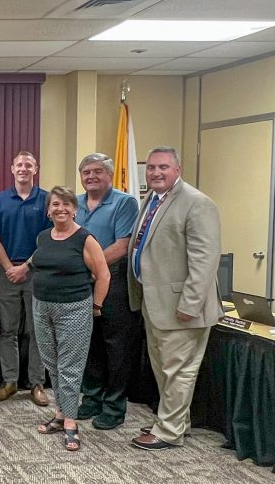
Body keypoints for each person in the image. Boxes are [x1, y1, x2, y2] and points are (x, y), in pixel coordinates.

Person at [128, 147, 223, 451]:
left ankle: (168, 431)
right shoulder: (152, 199)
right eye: (152, 167)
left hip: (182, 308)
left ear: (178, 170)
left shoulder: (197, 203)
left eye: (163, 167)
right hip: (155, 304)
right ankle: (175, 421)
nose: (156, 172)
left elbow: (205, 260)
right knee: (165, 369)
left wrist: (190, 304)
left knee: (179, 371)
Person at [31, 187, 111, 452]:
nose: (60, 209)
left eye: (66, 204)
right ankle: (60, 413)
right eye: (55, 204)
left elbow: (103, 275)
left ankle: (71, 423)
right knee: (52, 364)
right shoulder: (43, 237)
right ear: (48, 210)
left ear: (75, 209)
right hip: (42, 307)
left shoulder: (85, 239)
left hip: (74, 308)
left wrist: (96, 305)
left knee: (70, 367)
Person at [73, 154, 143, 431]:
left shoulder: (125, 202)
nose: (91, 176)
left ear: (110, 175)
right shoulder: (75, 203)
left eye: (97, 171)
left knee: (115, 346)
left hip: (113, 281)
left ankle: (114, 406)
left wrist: (96, 267)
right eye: (86, 172)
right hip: (80, 282)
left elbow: (123, 244)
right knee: (89, 344)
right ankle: (91, 398)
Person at [0, 151, 53, 406]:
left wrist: (26, 266)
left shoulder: (47, 199)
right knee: (8, 331)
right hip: (7, 273)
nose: (23, 168)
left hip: (37, 272)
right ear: (12, 169)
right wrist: (8, 267)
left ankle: (37, 383)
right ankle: (10, 381)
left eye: (28, 164)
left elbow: (50, 238)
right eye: (19, 165)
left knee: (37, 331)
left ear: (35, 169)